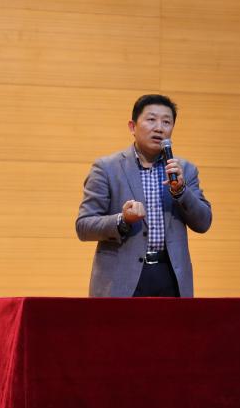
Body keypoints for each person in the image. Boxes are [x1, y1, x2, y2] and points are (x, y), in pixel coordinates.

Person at [76, 94, 212, 297]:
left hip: (171, 277)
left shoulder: (184, 170)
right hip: (121, 278)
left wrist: (181, 191)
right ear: (132, 127)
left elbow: (203, 223)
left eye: (166, 122)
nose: (159, 128)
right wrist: (122, 220)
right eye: (151, 119)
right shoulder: (106, 168)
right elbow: (84, 226)